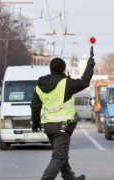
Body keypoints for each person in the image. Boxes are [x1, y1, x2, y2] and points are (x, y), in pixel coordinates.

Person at [30, 47, 95, 180]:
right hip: (62, 127)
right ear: (63, 69)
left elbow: (35, 107)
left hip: (48, 126)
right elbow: (85, 81)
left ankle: (69, 177)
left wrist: (35, 123)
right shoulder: (66, 83)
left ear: (51, 69)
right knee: (59, 156)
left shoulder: (39, 86)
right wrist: (90, 65)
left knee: (61, 153)